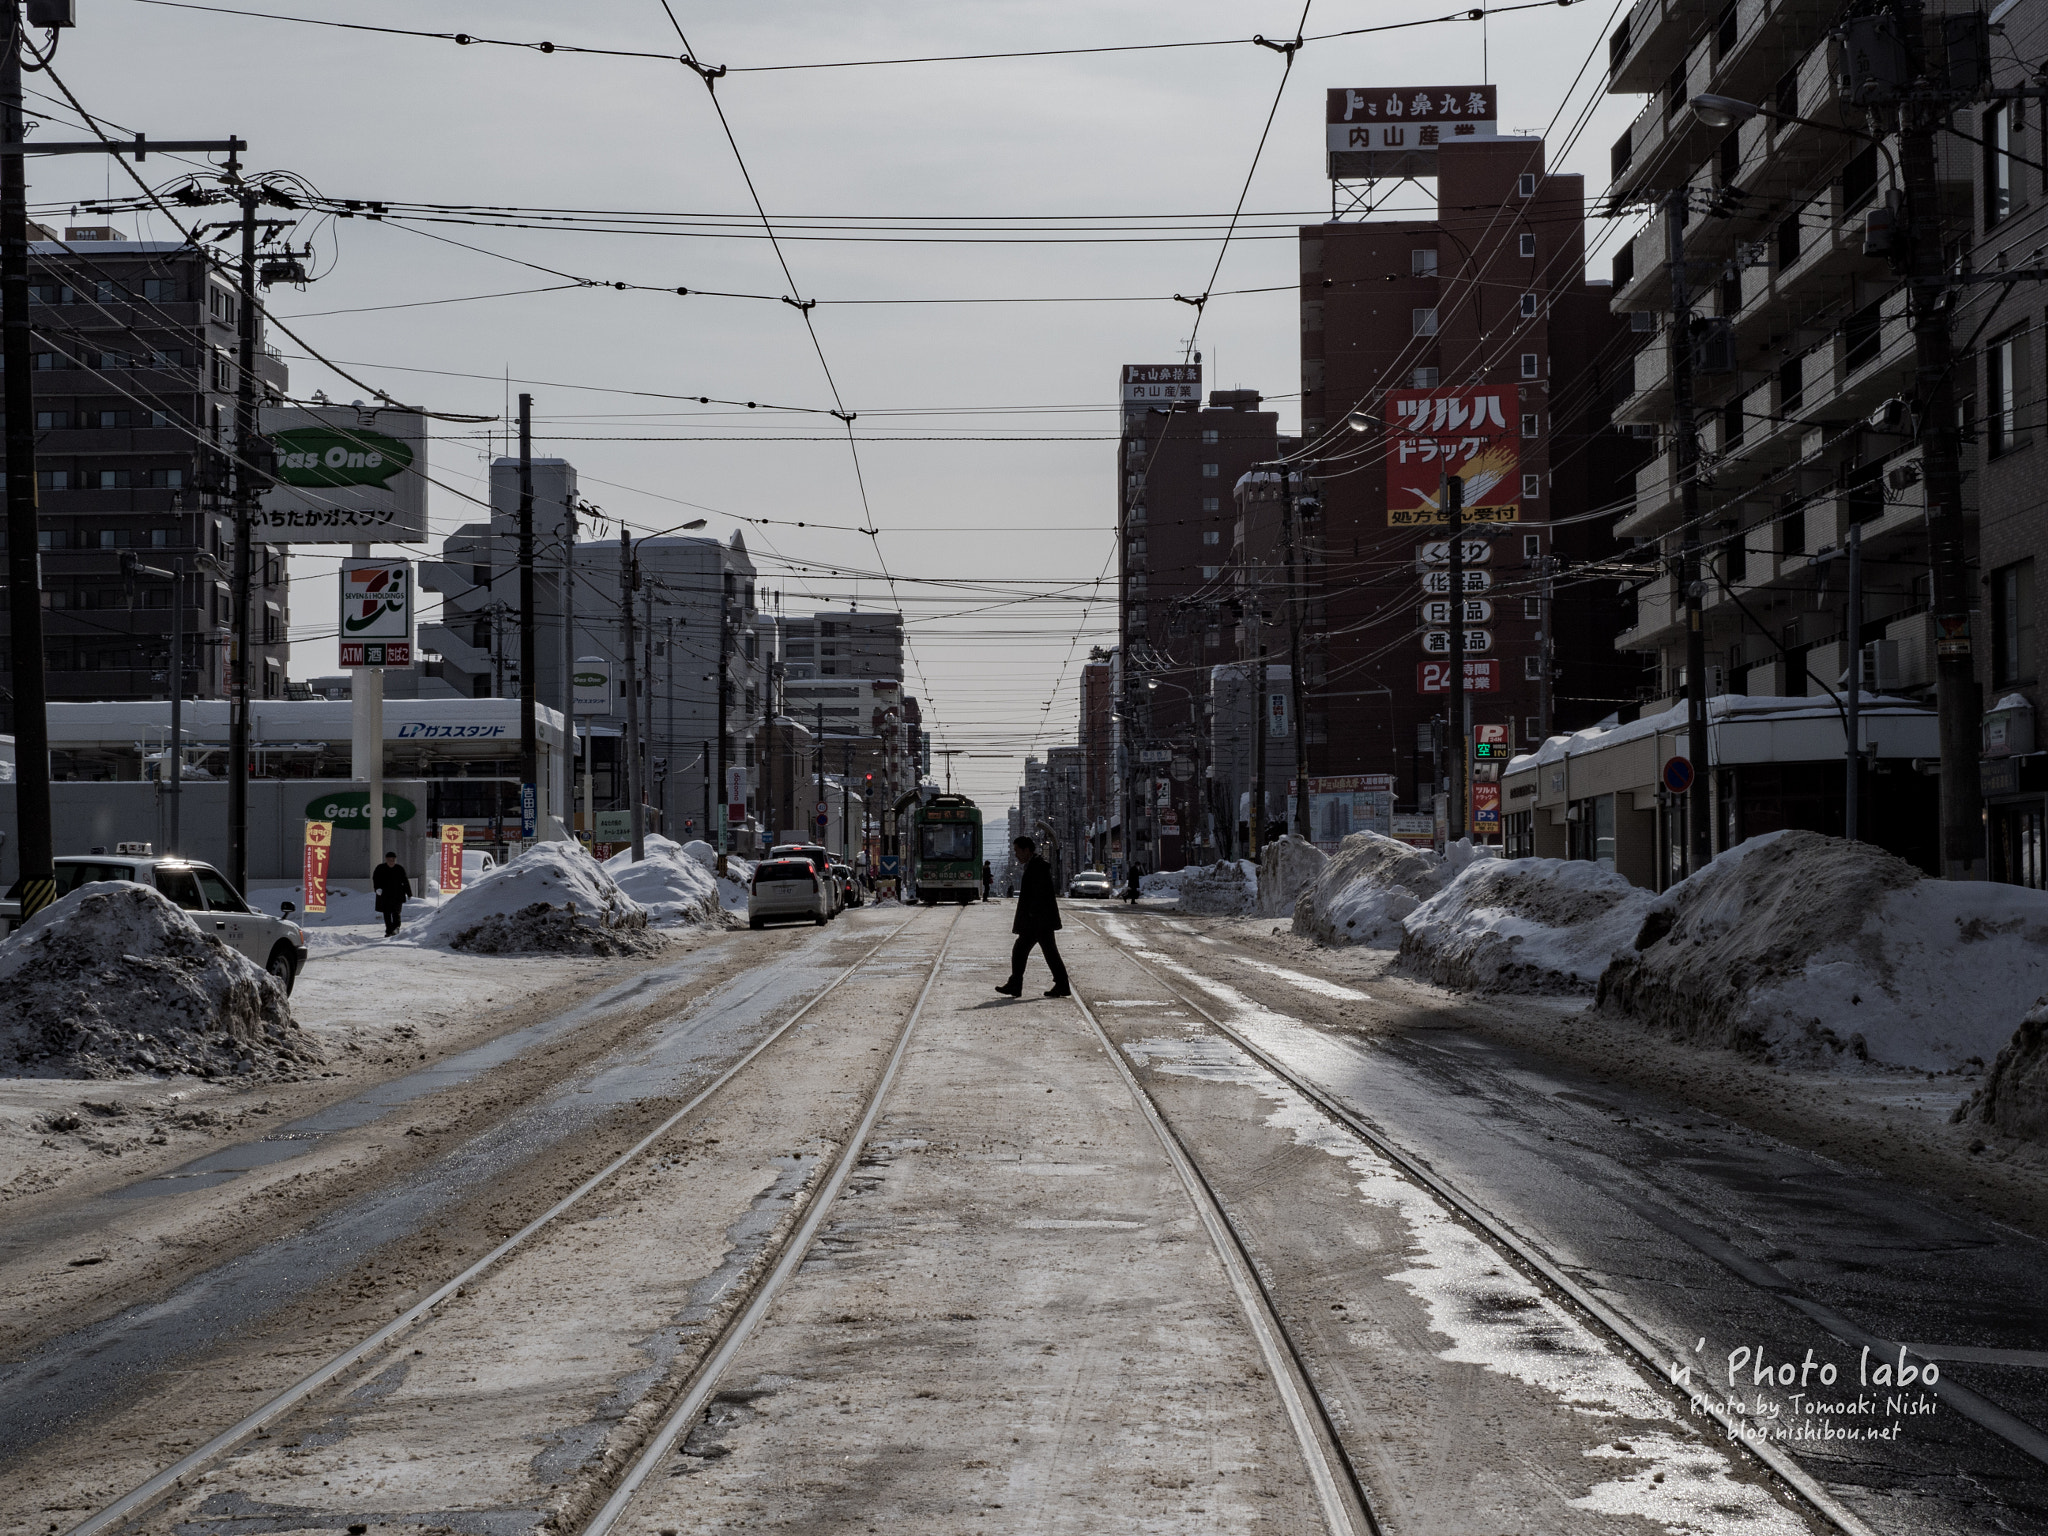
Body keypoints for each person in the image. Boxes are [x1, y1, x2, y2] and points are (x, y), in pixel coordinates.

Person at [996, 836, 1068, 999]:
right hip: (1039, 919)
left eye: (1017, 850)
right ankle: (1060, 984)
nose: (1016, 855)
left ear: (1026, 850)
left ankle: (1017, 984)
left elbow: (1039, 894)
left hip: (1038, 920)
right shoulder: (1035, 865)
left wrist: (1032, 914)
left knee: (1026, 950)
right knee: (1045, 951)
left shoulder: (1037, 867)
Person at [372, 849, 412, 937]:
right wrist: (377, 888)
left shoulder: (399, 869)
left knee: (396, 912)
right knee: (386, 913)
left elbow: (405, 880)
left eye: (393, 859)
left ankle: (396, 928)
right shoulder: (380, 868)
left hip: (397, 895)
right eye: (390, 860)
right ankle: (388, 931)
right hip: (384, 895)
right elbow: (375, 879)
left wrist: (409, 893)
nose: (392, 861)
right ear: (386, 859)